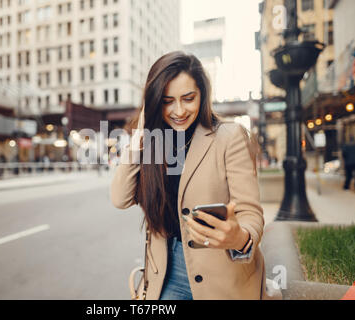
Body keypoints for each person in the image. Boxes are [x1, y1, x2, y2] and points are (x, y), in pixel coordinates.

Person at [110, 51, 269, 300]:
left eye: (188, 98)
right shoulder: (152, 143)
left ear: (202, 96)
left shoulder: (229, 136)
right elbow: (120, 199)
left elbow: (250, 213)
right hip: (164, 274)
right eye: (167, 101)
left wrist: (239, 237)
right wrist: (137, 141)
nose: (179, 110)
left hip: (223, 273)